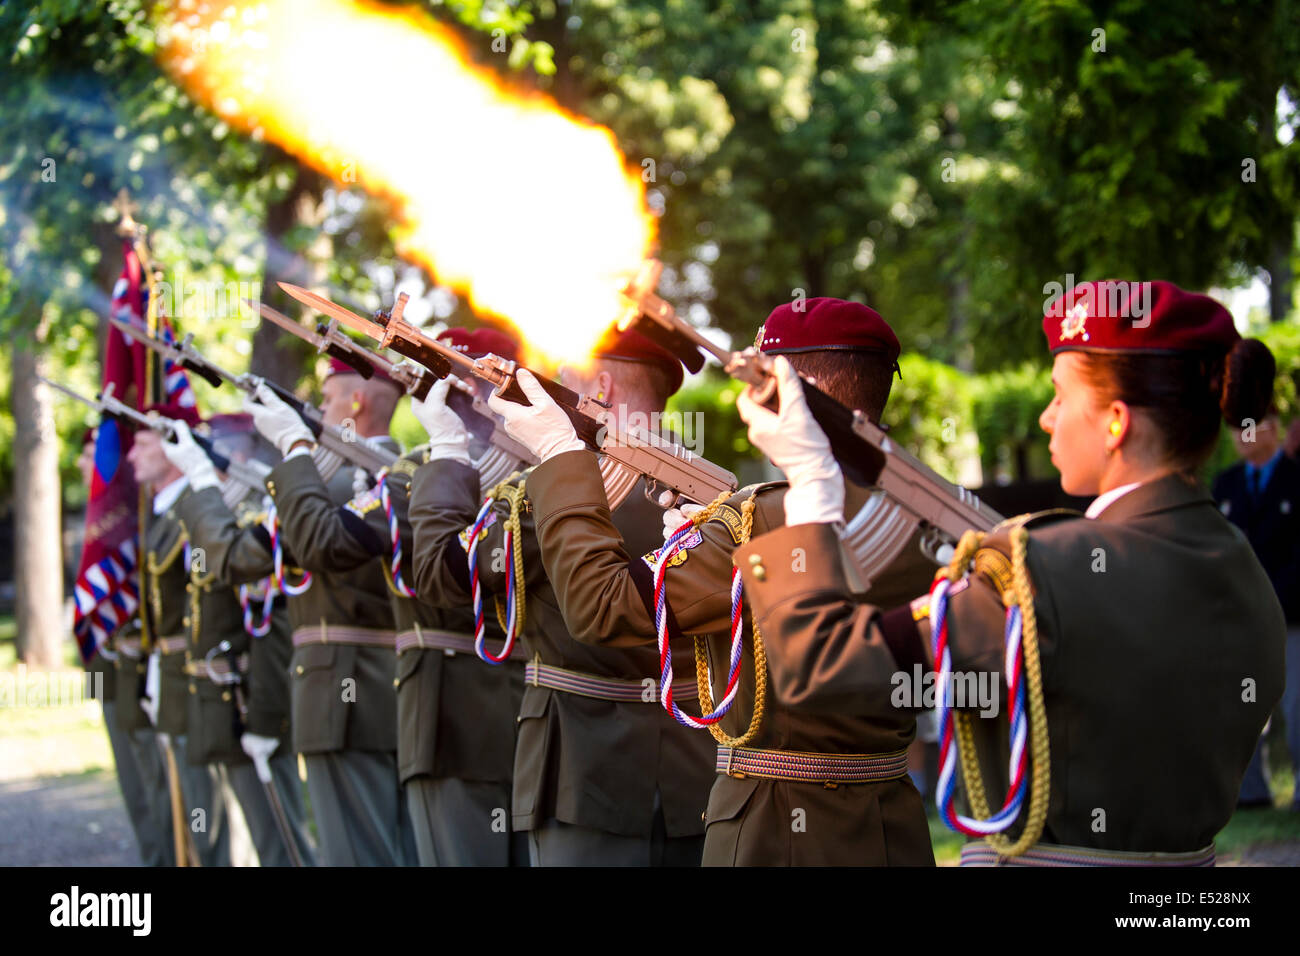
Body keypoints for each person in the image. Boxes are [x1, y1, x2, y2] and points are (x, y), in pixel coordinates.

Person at [733, 280, 1286, 864]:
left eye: (1060, 396)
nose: (1047, 418)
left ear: (1116, 422)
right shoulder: (1245, 569)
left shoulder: (1038, 572)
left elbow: (819, 666)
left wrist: (813, 483)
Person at [491, 299, 938, 866]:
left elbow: (597, 607)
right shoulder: (929, 522)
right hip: (890, 830)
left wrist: (559, 456)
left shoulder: (757, 524)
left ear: (796, 396)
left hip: (773, 834)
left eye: (761, 381)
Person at [408, 328, 718, 866]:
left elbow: (439, 574)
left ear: (600, 387)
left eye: (564, 376)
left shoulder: (554, 494)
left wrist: (447, 452)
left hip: (586, 777)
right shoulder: (709, 497)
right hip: (694, 781)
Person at [254, 330, 527, 866]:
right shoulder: (533, 477)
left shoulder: (419, 480)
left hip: (451, 718)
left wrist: (294, 449)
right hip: (522, 717)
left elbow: (320, 544)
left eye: (428, 376)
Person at [173, 362, 413, 866]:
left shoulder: (326, 487)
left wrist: (203, 484)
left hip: (340, 696)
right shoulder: (403, 479)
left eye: (327, 400)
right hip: (395, 693)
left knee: (353, 853)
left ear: (355, 404)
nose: (320, 411)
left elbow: (235, 558)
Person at [165, 412, 317, 865]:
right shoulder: (231, 520)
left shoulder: (258, 521)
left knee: (283, 845)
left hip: (255, 705)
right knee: (261, 837)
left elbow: (271, 627)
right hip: (229, 705)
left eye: (222, 447)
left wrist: (268, 721)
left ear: (243, 453)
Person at [125, 405, 233, 866]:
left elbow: (206, 594)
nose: (132, 456)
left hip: (193, 672)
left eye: (144, 444)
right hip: (159, 672)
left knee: (203, 802)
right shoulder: (161, 516)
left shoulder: (191, 513)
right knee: (173, 793)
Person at [78, 428, 176, 867]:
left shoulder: (132, 519)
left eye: (91, 456)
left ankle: (166, 858)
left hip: (135, 660)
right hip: (104, 663)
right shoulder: (96, 522)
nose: (85, 465)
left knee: (154, 776)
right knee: (130, 776)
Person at [1213, 408, 1300, 810]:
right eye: (1236, 427)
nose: (1243, 435)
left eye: (1250, 424)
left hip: (1292, 617)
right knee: (1240, 711)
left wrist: (1268, 599)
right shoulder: (1225, 485)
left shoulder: (1297, 479)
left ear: (1274, 428)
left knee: (1296, 710)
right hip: (1240, 622)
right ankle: (1250, 795)